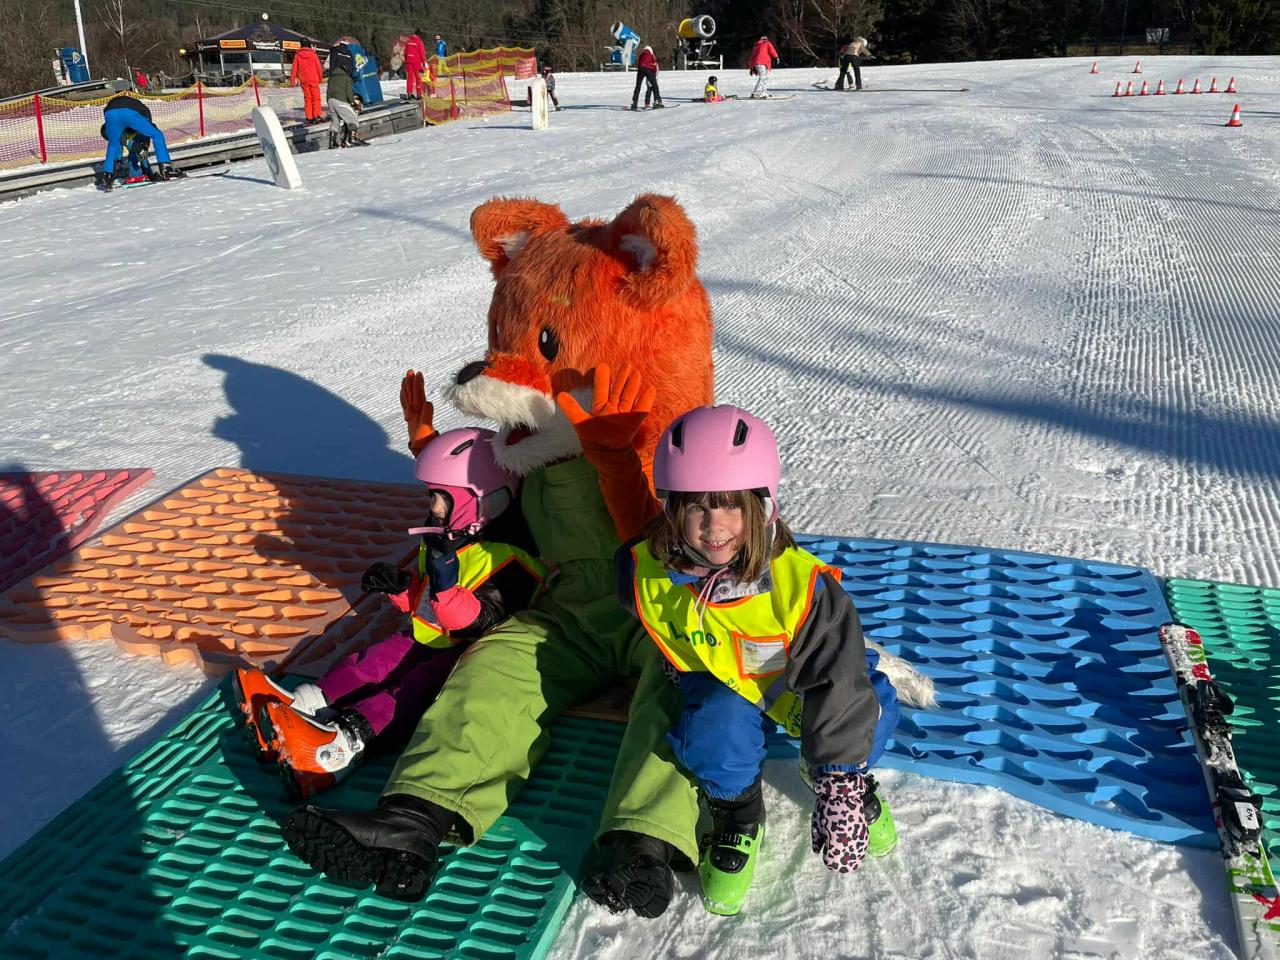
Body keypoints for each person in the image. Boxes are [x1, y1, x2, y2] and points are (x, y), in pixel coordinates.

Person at [566, 388, 903, 917]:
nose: (715, 525)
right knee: (710, 731)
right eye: (697, 506)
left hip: (802, 687)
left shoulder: (801, 588)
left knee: (873, 708)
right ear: (672, 510)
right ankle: (739, 814)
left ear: (761, 506)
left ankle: (839, 782)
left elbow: (837, 676)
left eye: (730, 504)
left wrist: (839, 778)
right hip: (722, 687)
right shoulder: (642, 572)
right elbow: (635, 536)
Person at [230, 427, 546, 799]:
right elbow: (427, 601)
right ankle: (304, 704)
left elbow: (481, 621)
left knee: (411, 689)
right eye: (432, 497)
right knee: (374, 660)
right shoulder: (447, 539)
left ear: (484, 501)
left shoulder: (511, 559)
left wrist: (446, 586)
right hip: (427, 637)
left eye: (442, 499)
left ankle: (341, 745)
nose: (434, 509)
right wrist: (401, 588)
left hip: (468, 656)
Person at [96, 94, 183, 191]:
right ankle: (166, 169)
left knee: (113, 144)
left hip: (110, 112)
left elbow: (120, 142)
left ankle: (107, 176)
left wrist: (120, 158)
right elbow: (145, 133)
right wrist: (144, 146)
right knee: (157, 135)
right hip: (129, 111)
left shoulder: (112, 127)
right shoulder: (144, 113)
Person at [326, 42, 366, 148]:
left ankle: (332, 142)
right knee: (353, 119)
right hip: (340, 100)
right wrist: (353, 103)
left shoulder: (332, 76)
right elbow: (348, 92)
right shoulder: (346, 77)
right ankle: (352, 139)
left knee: (335, 121)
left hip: (330, 101)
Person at [291, 38, 325, 122]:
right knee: (316, 98)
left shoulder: (297, 55)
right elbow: (319, 67)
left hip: (304, 80)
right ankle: (316, 115)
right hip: (314, 79)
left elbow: (294, 69)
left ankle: (309, 117)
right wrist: (320, 78)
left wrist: (292, 80)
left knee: (307, 98)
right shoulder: (313, 54)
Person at [630, 45, 663, 110]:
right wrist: (653, 76)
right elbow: (654, 65)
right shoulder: (651, 54)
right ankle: (657, 101)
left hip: (640, 69)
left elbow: (639, 63)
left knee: (638, 86)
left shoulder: (641, 54)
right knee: (654, 85)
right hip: (647, 69)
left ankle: (634, 103)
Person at [404, 29, 427, 99]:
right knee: (418, 78)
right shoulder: (419, 42)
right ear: (419, 35)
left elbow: (405, 52)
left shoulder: (408, 41)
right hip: (416, 62)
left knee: (410, 78)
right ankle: (419, 94)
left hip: (408, 61)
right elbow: (422, 53)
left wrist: (406, 60)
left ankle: (409, 93)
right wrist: (423, 62)